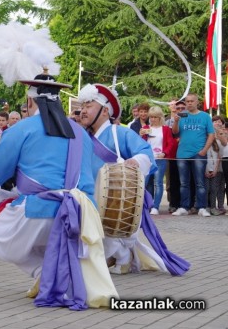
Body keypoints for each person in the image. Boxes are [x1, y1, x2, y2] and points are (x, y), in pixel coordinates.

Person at [0, 23, 117, 309]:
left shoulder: (23, 128)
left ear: (31, 101)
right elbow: (92, 173)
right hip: (81, 214)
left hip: (39, 211)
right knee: (39, 229)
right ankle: (54, 273)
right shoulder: (81, 133)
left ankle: (41, 271)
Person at [78, 83, 189, 276]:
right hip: (89, 197)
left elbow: (145, 152)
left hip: (113, 199)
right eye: (83, 106)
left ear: (105, 111)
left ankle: (121, 255)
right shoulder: (83, 136)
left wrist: (136, 162)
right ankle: (117, 255)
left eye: (89, 106)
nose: (83, 110)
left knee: (108, 235)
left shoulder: (119, 132)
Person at [171, 93, 215, 217]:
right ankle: (184, 207)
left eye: (191, 101)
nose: (189, 103)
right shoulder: (182, 115)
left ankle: (202, 207)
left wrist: (204, 150)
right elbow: (175, 133)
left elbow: (211, 134)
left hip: (198, 153)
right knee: (183, 182)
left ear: (197, 102)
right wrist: (175, 121)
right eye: (187, 101)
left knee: (200, 182)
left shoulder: (205, 116)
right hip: (182, 153)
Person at [142, 106, 177, 215]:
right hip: (148, 159)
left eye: (155, 117)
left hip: (160, 159)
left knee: (158, 183)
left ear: (160, 117)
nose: (152, 119)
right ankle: (147, 205)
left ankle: (156, 206)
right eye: (151, 117)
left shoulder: (165, 129)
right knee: (146, 183)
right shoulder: (146, 128)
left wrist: (164, 153)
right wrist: (141, 134)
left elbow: (171, 143)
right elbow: (141, 143)